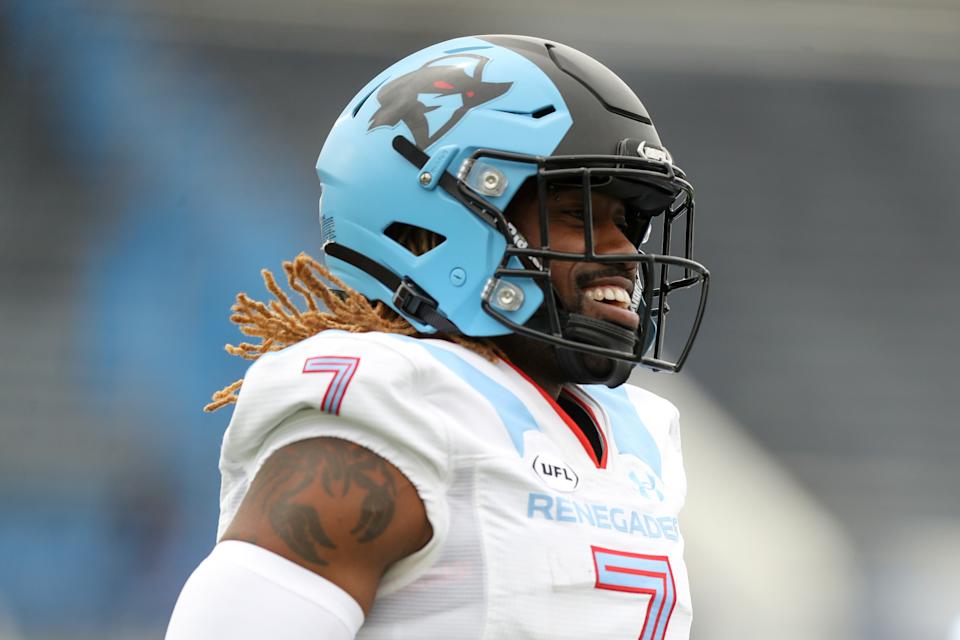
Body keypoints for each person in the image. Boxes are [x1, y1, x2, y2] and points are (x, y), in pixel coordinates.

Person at [166, 34, 709, 639]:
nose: (626, 254)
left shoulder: (637, 436)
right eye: (576, 213)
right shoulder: (396, 407)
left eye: (628, 223)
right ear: (441, 211)